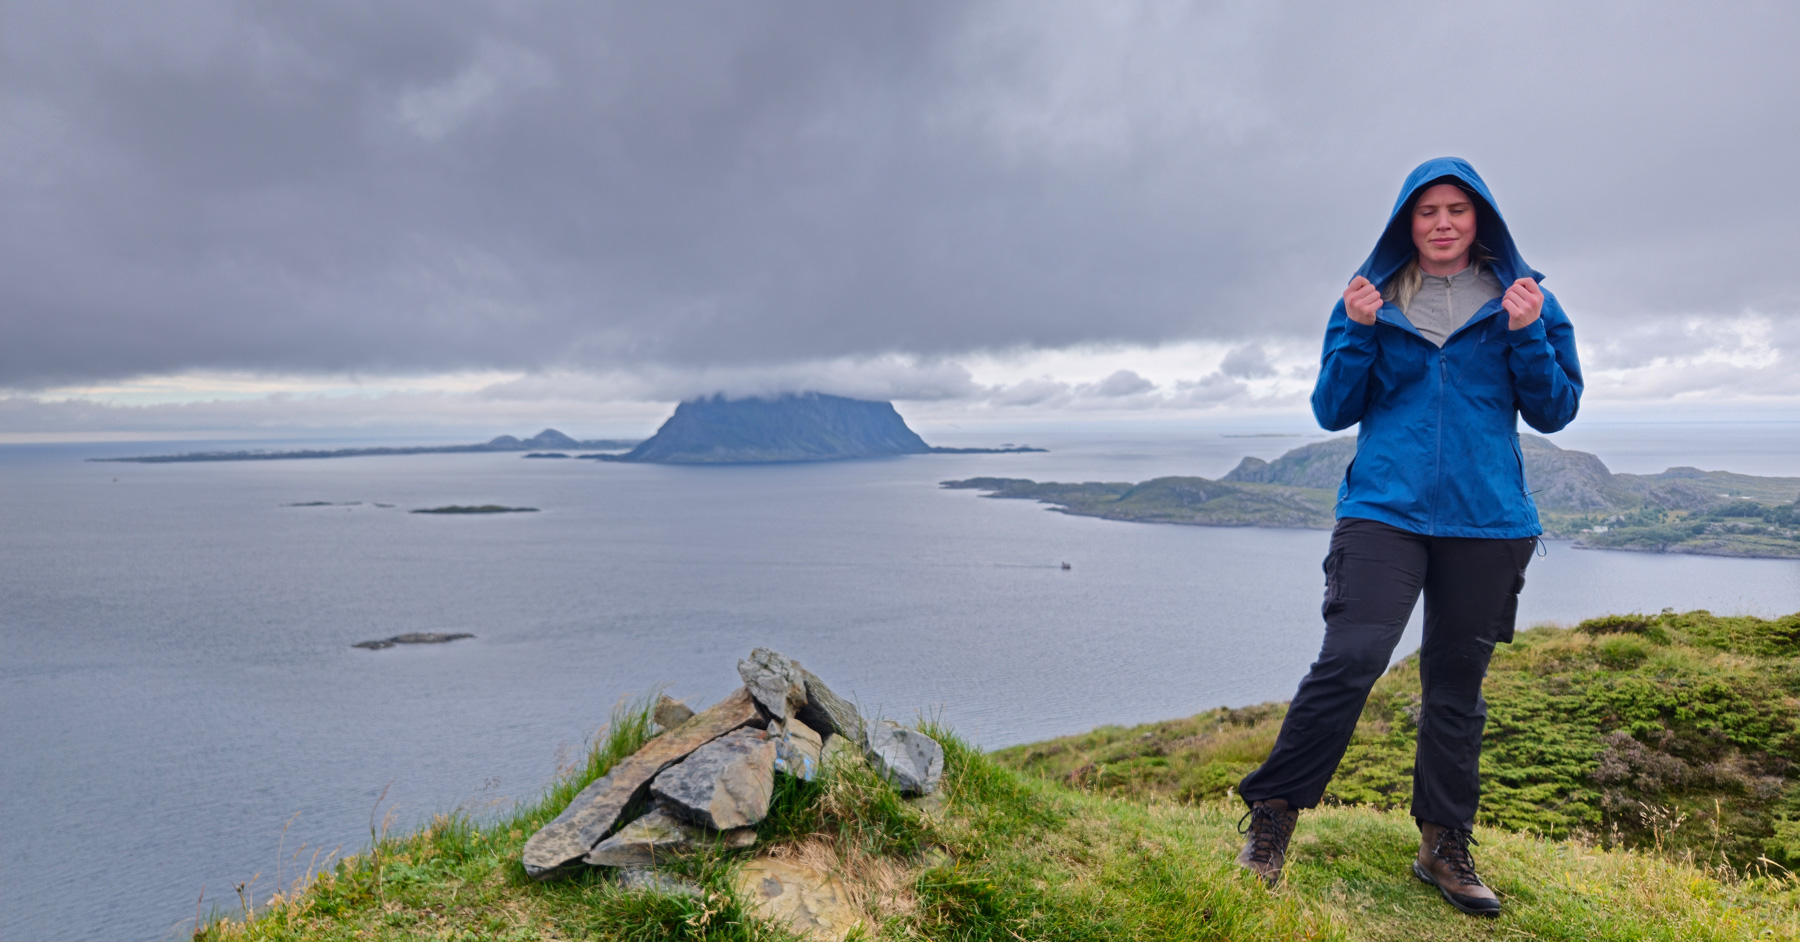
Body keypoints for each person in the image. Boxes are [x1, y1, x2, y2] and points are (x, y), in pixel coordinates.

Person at [1232, 157, 1582, 918]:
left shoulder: (1528, 301)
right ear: (1406, 223)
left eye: (1459, 209)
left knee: (1455, 687)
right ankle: (1272, 820)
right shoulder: (1368, 299)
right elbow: (1332, 407)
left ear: (1480, 218)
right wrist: (1358, 332)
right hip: (1383, 510)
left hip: (1486, 521)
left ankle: (1443, 847)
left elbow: (1556, 410)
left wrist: (1527, 335)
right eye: (1428, 212)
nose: (1445, 222)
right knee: (1353, 655)